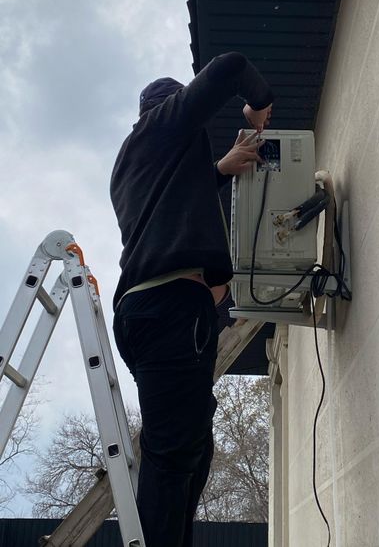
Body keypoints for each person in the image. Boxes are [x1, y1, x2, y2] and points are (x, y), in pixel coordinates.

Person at [110, 51, 273, 547]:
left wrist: (219, 169)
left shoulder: (131, 163)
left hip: (150, 315)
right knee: (173, 455)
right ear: (171, 106)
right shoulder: (164, 123)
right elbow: (231, 66)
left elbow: (174, 198)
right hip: (170, 313)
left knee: (193, 447)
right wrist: (258, 105)